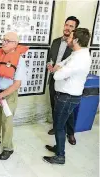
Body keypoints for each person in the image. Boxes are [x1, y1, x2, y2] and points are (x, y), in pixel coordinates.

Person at [43, 28, 92, 165]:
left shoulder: (79, 59)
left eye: (70, 37)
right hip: (66, 95)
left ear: (76, 40)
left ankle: (60, 156)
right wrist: (59, 68)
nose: (67, 39)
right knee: (61, 125)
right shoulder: (77, 54)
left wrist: (58, 70)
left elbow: (57, 75)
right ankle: (58, 147)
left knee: (59, 126)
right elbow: (60, 64)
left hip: (67, 97)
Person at [0, 32, 29, 160]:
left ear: (15, 44)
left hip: (9, 95)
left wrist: (1, 95)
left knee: (7, 122)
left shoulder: (20, 60)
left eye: (7, 40)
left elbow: (17, 84)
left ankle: (8, 148)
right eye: (3, 40)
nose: (3, 42)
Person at [47, 16, 80, 146]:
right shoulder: (55, 42)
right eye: (67, 25)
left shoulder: (75, 46)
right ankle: (57, 127)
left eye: (71, 26)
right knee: (54, 105)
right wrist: (49, 65)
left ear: (75, 30)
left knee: (68, 110)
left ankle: (70, 133)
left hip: (66, 82)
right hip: (53, 78)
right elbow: (51, 58)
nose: (68, 28)